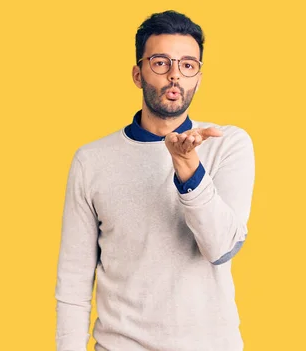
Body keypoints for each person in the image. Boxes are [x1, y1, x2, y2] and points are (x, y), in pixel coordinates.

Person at [54, 10, 256, 351]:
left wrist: (189, 169)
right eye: (161, 63)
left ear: (198, 77)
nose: (175, 75)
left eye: (188, 65)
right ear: (138, 73)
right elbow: (73, 281)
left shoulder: (227, 144)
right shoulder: (91, 160)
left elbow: (221, 249)